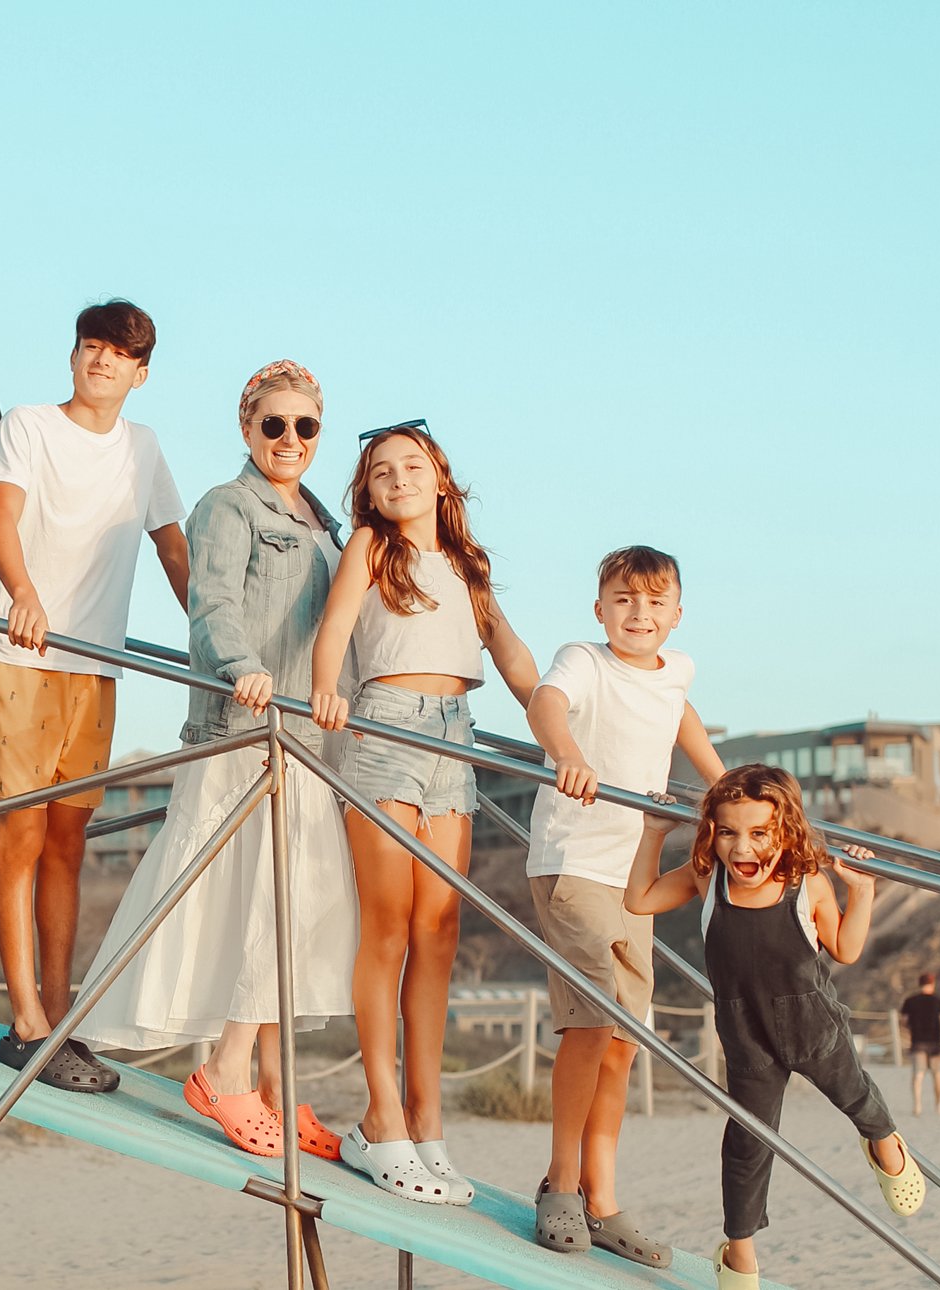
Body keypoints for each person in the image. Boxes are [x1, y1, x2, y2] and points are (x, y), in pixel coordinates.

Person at [75, 359, 356, 1159]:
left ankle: (276, 1086)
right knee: (255, 908)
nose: (290, 439)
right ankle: (224, 1075)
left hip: (306, 747)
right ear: (247, 428)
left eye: (306, 427)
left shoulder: (323, 523)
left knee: (294, 914)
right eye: (275, 424)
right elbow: (213, 606)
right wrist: (243, 668)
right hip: (243, 734)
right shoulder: (228, 506)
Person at [310, 422, 540, 1205]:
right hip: (384, 727)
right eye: (382, 471)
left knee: (438, 930)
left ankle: (425, 1121)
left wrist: (559, 735)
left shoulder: (468, 564)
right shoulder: (372, 549)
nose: (398, 478)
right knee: (389, 922)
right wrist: (326, 686)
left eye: (412, 466)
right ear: (368, 492)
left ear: (442, 480)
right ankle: (380, 1119)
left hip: (456, 738)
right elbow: (336, 626)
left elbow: (508, 653)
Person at [0, 299, 189, 1092]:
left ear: (141, 373)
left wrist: (214, 637)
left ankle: (59, 1019)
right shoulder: (28, 425)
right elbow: (2, 519)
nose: (101, 361)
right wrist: (22, 591)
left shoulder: (144, 447)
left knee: (67, 845)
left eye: (118, 353)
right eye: (91, 346)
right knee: (20, 838)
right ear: (74, 356)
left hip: (95, 669)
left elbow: (171, 544)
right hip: (21, 656)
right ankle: (25, 1019)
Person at [626, 764, 926, 1290]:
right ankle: (739, 1250)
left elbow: (847, 950)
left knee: (855, 1094)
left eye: (759, 833)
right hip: (747, 1038)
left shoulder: (806, 883)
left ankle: (883, 1141)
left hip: (812, 1025)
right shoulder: (707, 878)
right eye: (728, 832)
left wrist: (864, 894)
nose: (743, 849)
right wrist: (652, 833)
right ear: (712, 833)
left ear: (785, 832)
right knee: (748, 1142)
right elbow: (640, 900)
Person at [522, 545, 723, 1264]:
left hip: (632, 877)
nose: (639, 614)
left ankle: (602, 1201)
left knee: (623, 1040)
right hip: (573, 864)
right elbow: (546, 702)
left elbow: (680, 714)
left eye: (653, 601)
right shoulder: (583, 658)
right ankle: (560, 1186)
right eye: (624, 599)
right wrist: (567, 750)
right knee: (594, 1017)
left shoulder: (677, 671)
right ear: (600, 607)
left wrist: (726, 785)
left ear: (676, 615)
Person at [900, 972, 940, 1115]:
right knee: (937, 1074)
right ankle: (939, 1105)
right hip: (935, 1042)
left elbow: (904, 1021)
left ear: (920, 983)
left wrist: (911, 1028)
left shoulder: (910, 1001)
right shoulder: (939, 1001)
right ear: (933, 983)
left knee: (918, 1074)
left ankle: (917, 1105)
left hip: (918, 1042)